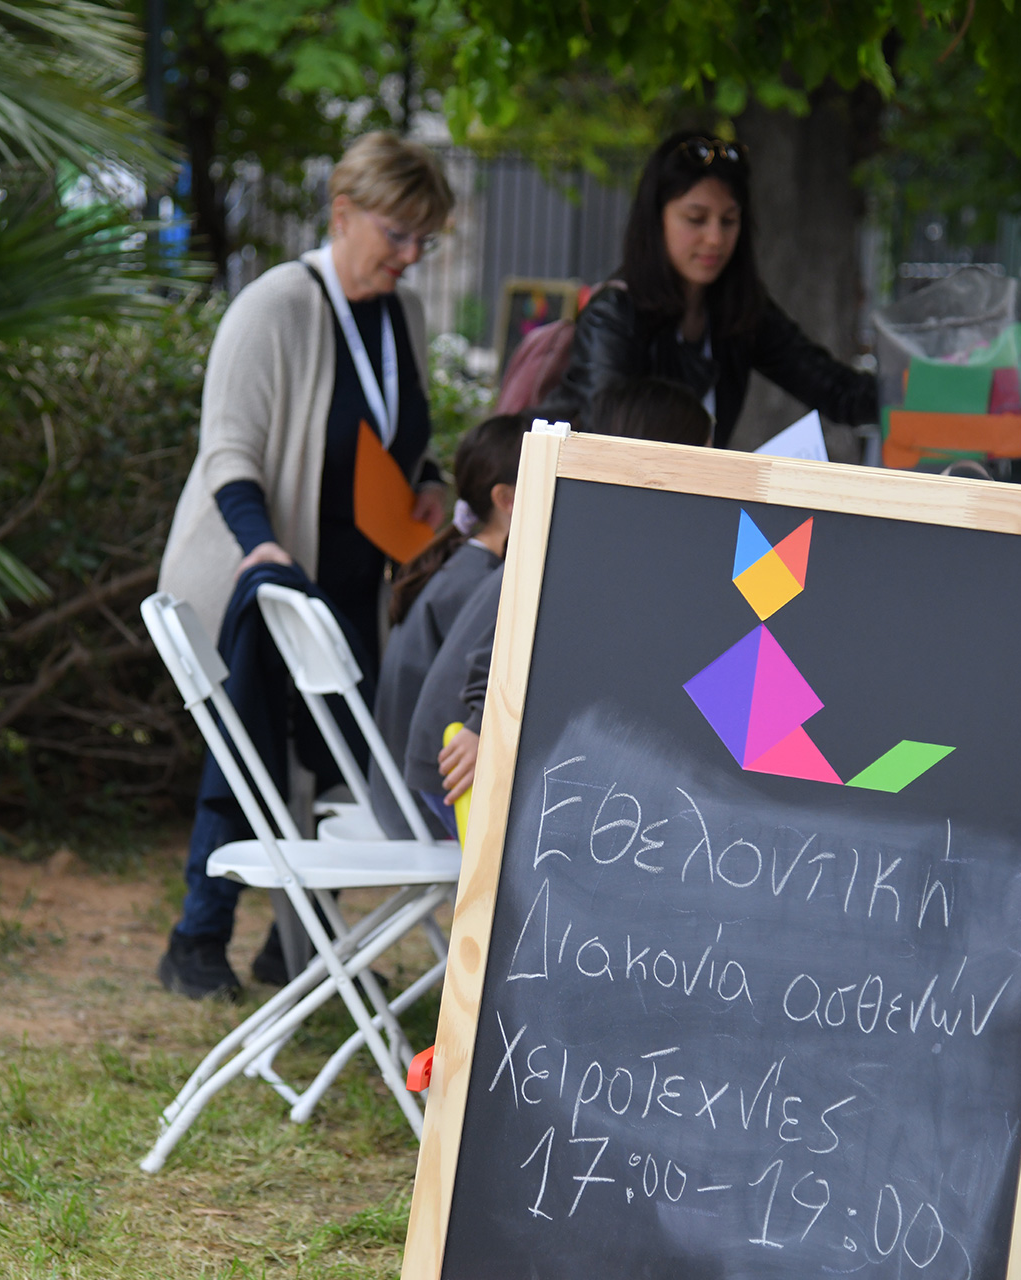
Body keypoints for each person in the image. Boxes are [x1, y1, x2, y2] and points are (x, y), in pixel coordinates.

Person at [154, 132, 454, 999]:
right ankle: (196, 939)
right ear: (343, 212)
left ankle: (298, 948)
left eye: (424, 240)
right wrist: (263, 549)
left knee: (335, 765)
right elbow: (228, 451)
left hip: (353, 583)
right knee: (244, 754)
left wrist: (430, 484)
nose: (410, 256)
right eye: (397, 234)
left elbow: (395, 436)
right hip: (259, 574)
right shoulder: (275, 305)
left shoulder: (403, 315)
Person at [413, 379, 715, 821]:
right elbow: (505, 643)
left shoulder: (625, 536)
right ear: (667, 455)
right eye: (708, 451)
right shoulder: (587, 537)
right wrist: (483, 726)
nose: (720, 463)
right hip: (465, 773)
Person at [543, 130, 878, 447]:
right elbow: (605, 441)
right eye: (696, 219)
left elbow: (838, 391)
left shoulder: (741, 309)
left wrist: (906, 391)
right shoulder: (612, 316)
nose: (715, 238)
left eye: (729, 220)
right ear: (655, 220)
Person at [368, 414, 530, 838]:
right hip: (427, 804)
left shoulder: (463, 562)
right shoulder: (481, 581)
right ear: (506, 499)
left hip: (400, 794)